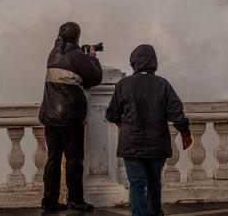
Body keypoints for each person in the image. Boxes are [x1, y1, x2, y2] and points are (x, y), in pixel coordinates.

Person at [105, 44, 192, 216]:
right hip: (157, 143)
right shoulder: (163, 84)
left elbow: (111, 114)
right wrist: (185, 133)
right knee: (154, 182)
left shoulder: (123, 84)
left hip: (131, 144)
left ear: (133, 62)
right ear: (154, 62)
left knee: (137, 183)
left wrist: (125, 127)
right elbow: (177, 113)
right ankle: (154, 212)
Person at [39, 22, 103, 212]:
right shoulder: (76, 55)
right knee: (74, 161)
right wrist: (92, 57)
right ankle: (75, 199)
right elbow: (95, 77)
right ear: (77, 37)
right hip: (69, 117)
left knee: (53, 160)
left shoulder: (53, 53)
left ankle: (49, 201)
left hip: (50, 115)